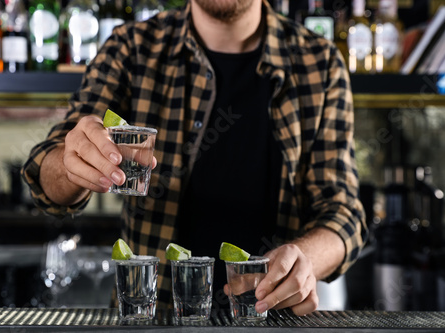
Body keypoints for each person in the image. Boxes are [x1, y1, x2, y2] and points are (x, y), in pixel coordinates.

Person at [22, 0, 368, 316]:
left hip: (273, 319)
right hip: (153, 320)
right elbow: (46, 170)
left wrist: (304, 259)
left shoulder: (318, 62)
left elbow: (344, 213)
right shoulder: (131, 47)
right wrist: (73, 164)